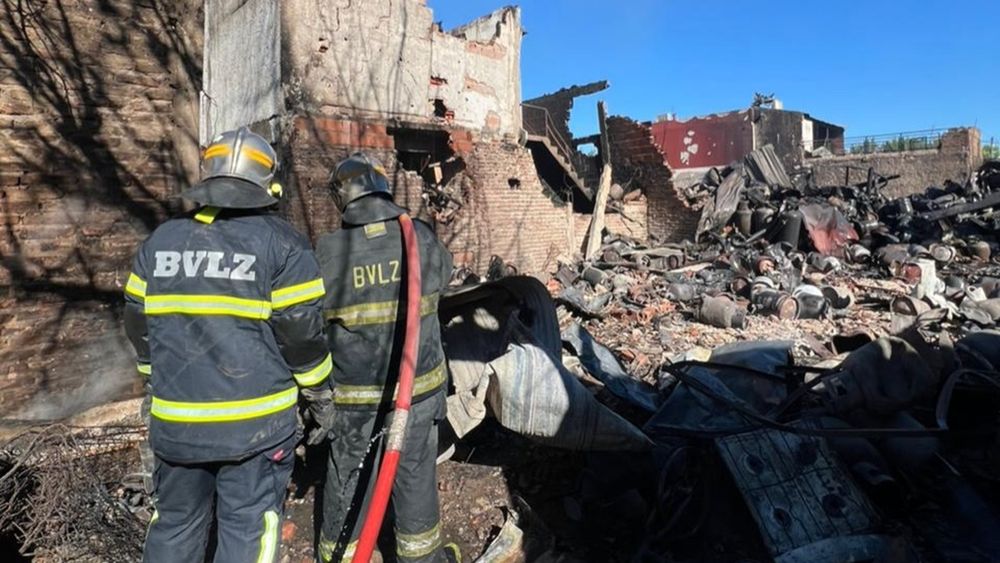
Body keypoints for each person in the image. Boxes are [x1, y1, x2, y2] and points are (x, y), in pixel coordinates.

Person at [124, 127, 335, 563]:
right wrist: (319, 394)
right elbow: (301, 332)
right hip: (255, 431)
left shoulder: (160, 241)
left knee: (174, 528)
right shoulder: (284, 245)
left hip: (176, 425)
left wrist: (152, 380)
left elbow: (137, 323)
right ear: (267, 184)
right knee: (247, 533)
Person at [314, 153, 458, 562]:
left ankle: (342, 554)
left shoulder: (327, 253)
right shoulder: (421, 237)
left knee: (349, 483)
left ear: (342, 200)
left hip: (356, 403)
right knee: (414, 478)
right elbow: (444, 280)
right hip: (419, 391)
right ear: (382, 188)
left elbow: (309, 326)